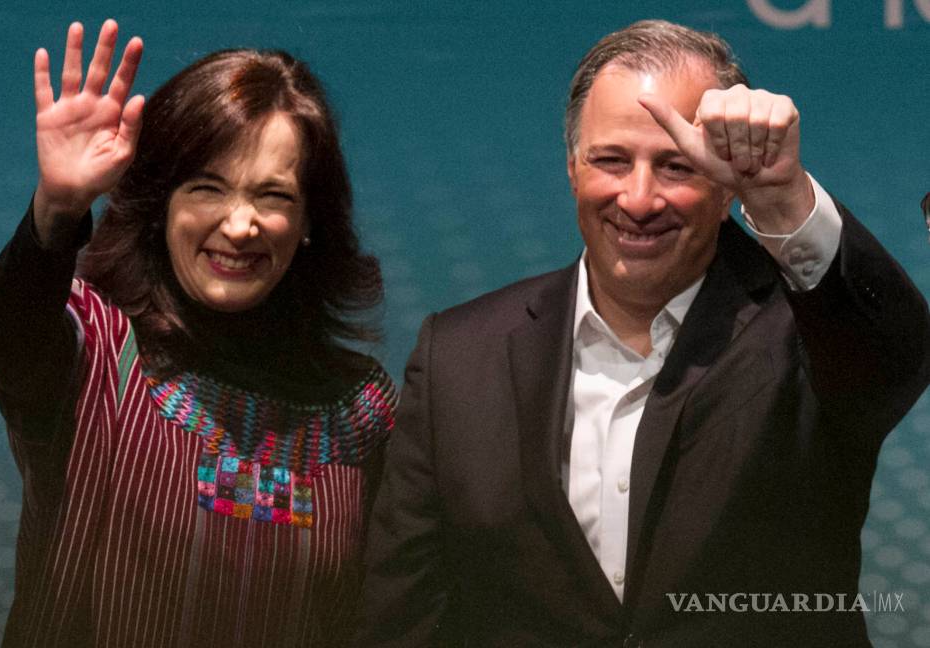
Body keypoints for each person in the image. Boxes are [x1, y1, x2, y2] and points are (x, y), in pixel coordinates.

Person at [358, 19, 930, 648]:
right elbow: (403, 617)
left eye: (676, 166)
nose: (638, 198)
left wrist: (781, 196)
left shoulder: (810, 332)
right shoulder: (458, 357)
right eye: (611, 160)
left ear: (726, 186)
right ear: (572, 168)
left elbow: (899, 357)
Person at [0, 20, 396, 647]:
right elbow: (9, 337)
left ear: (310, 220)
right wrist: (56, 210)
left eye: (273, 196)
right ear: (161, 206)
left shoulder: (361, 410)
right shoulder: (97, 349)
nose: (240, 225)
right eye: (207, 188)